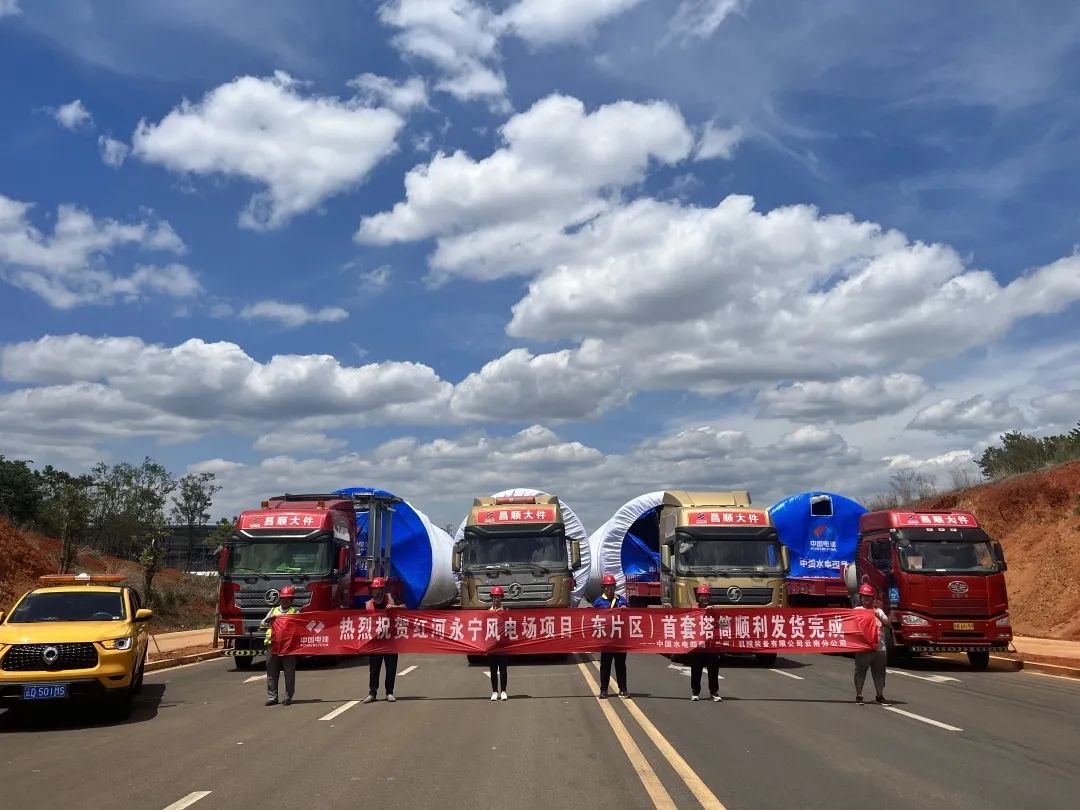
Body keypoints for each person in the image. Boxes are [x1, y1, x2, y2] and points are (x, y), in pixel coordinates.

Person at [363, 577, 400, 704]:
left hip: (390, 641)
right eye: (374, 589)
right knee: (374, 669)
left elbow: (406, 608)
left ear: (383, 589)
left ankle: (389, 692)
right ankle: (372, 693)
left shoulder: (391, 599)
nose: (377, 592)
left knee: (391, 668)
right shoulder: (367, 605)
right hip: (375, 642)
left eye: (379, 589)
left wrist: (395, 607)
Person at [853, 583, 891, 706]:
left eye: (868, 597)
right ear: (860, 597)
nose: (866, 599)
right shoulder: (856, 611)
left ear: (872, 598)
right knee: (860, 672)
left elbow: (888, 624)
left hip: (879, 648)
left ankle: (879, 696)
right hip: (863, 648)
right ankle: (859, 695)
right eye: (864, 597)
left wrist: (879, 617)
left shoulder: (878, 611)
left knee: (879, 674)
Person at [261, 586, 299, 706]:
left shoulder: (296, 613)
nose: (285, 601)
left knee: (289, 673)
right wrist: (268, 620)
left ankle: (288, 697)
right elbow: (262, 624)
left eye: (287, 599)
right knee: (271, 673)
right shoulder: (273, 611)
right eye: (283, 598)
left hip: (288, 647)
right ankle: (272, 697)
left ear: (292, 600)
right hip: (272, 646)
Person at [592, 574, 628, 698]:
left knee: (620, 665)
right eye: (607, 587)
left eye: (612, 586)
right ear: (603, 588)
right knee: (605, 666)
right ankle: (604, 690)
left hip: (619, 639)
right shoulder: (598, 602)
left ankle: (623, 689)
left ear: (615, 587)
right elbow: (592, 619)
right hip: (606, 640)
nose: (610, 589)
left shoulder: (621, 600)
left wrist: (625, 609)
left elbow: (629, 617)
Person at [688, 584, 722, 703]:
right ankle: (695, 692)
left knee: (713, 671)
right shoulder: (694, 609)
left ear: (709, 596)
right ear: (698, 597)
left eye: (706, 595)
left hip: (711, 646)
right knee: (696, 671)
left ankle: (714, 692)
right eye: (701, 595)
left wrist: (713, 611)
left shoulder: (714, 609)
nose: (704, 598)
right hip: (697, 647)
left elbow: (721, 623)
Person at [488, 585, 509, 701]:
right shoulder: (487, 613)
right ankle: (495, 691)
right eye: (494, 597)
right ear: (492, 598)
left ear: (501, 598)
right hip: (492, 645)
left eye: (498, 597)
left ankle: (504, 691)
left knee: (503, 669)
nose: (496, 599)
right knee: (493, 670)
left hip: (503, 645)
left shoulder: (506, 612)